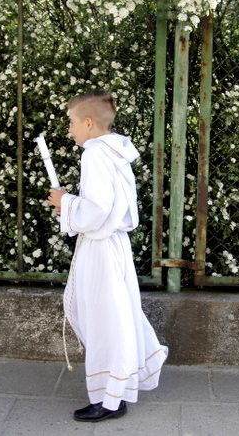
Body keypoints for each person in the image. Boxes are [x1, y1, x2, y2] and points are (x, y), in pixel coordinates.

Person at [47, 91, 168, 423]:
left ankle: (108, 398)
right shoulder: (114, 152)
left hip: (101, 248)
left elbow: (98, 210)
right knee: (115, 315)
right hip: (113, 246)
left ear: (88, 122)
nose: (70, 129)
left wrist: (64, 202)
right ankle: (116, 390)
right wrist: (71, 201)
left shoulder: (95, 155)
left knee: (104, 320)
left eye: (72, 122)